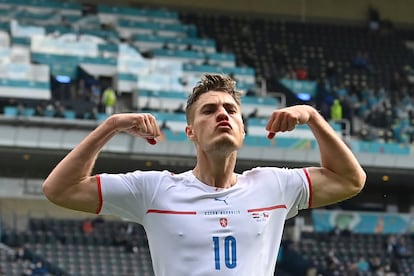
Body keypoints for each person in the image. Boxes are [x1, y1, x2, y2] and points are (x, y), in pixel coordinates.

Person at [42, 74, 366, 276]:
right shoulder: (154, 190)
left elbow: (351, 180)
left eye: (230, 110)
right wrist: (110, 126)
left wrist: (311, 117)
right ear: (191, 132)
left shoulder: (274, 185)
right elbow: (61, 189)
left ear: (242, 129)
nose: (222, 114)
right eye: (209, 111)